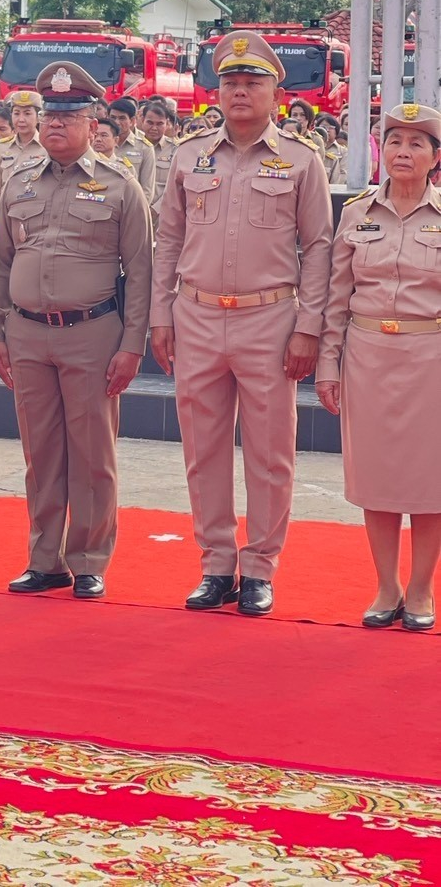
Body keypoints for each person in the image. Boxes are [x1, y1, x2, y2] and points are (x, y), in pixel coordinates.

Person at [150, 31, 333, 616]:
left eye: (253, 81)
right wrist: (161, 314)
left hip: (269, 320)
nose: (240, 91)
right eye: (230, 81)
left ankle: (259, 567)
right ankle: (215, 564)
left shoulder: (301, 160)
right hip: (197, 315)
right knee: (202, 450)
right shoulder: (188, 155)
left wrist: (308, 327)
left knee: (271, 451)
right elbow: (169, 240)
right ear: (217, 90)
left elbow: (320, 247)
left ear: (276, 92)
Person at [0, 62, 153, 597]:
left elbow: (141, 271)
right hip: (27, 332)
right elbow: (0, 263)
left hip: (92, 331)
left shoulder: (120, 186)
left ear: (93, 122)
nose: (56, 125)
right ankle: (44, 558)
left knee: (92, 453)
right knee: (41, 452)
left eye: (70, 116)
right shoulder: (18, 183)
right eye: (49, 115)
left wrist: (132, 345)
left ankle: (88, 560)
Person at [316, 103, 441, 631]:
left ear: (435, 157)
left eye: (417, 144)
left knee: (430, 482)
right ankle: (386, 585)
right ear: (381, 151)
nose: (404, 152)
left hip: (430, 361)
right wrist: (327, 364)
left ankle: (420, 589)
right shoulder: (356, 213)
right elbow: (335, 297)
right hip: (367, 357)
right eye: (394, 142)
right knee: (375, 477)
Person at [0, 89, 42, 204]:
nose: (21, 119)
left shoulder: (47, 147)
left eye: (27, 113)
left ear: (39, 117)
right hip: (6, 213)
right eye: (16, 113)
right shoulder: (2, 148)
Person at [110, 96, 155, 201]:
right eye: (113, 118)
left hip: (131, 206)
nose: (116, 122)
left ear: (132, 120)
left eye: (122, 118)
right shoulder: (99, 143)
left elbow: (147, 190)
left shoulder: (145, 148)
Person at [142, 100, 176, 229]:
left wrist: (155, 210)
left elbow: (174, 186)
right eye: (150, 123)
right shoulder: (134, 148)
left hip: (163, 214)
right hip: (132, 212)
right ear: (142, 120)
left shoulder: (175, 150)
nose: (154, 128)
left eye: (159, 124)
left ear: (167, 124)